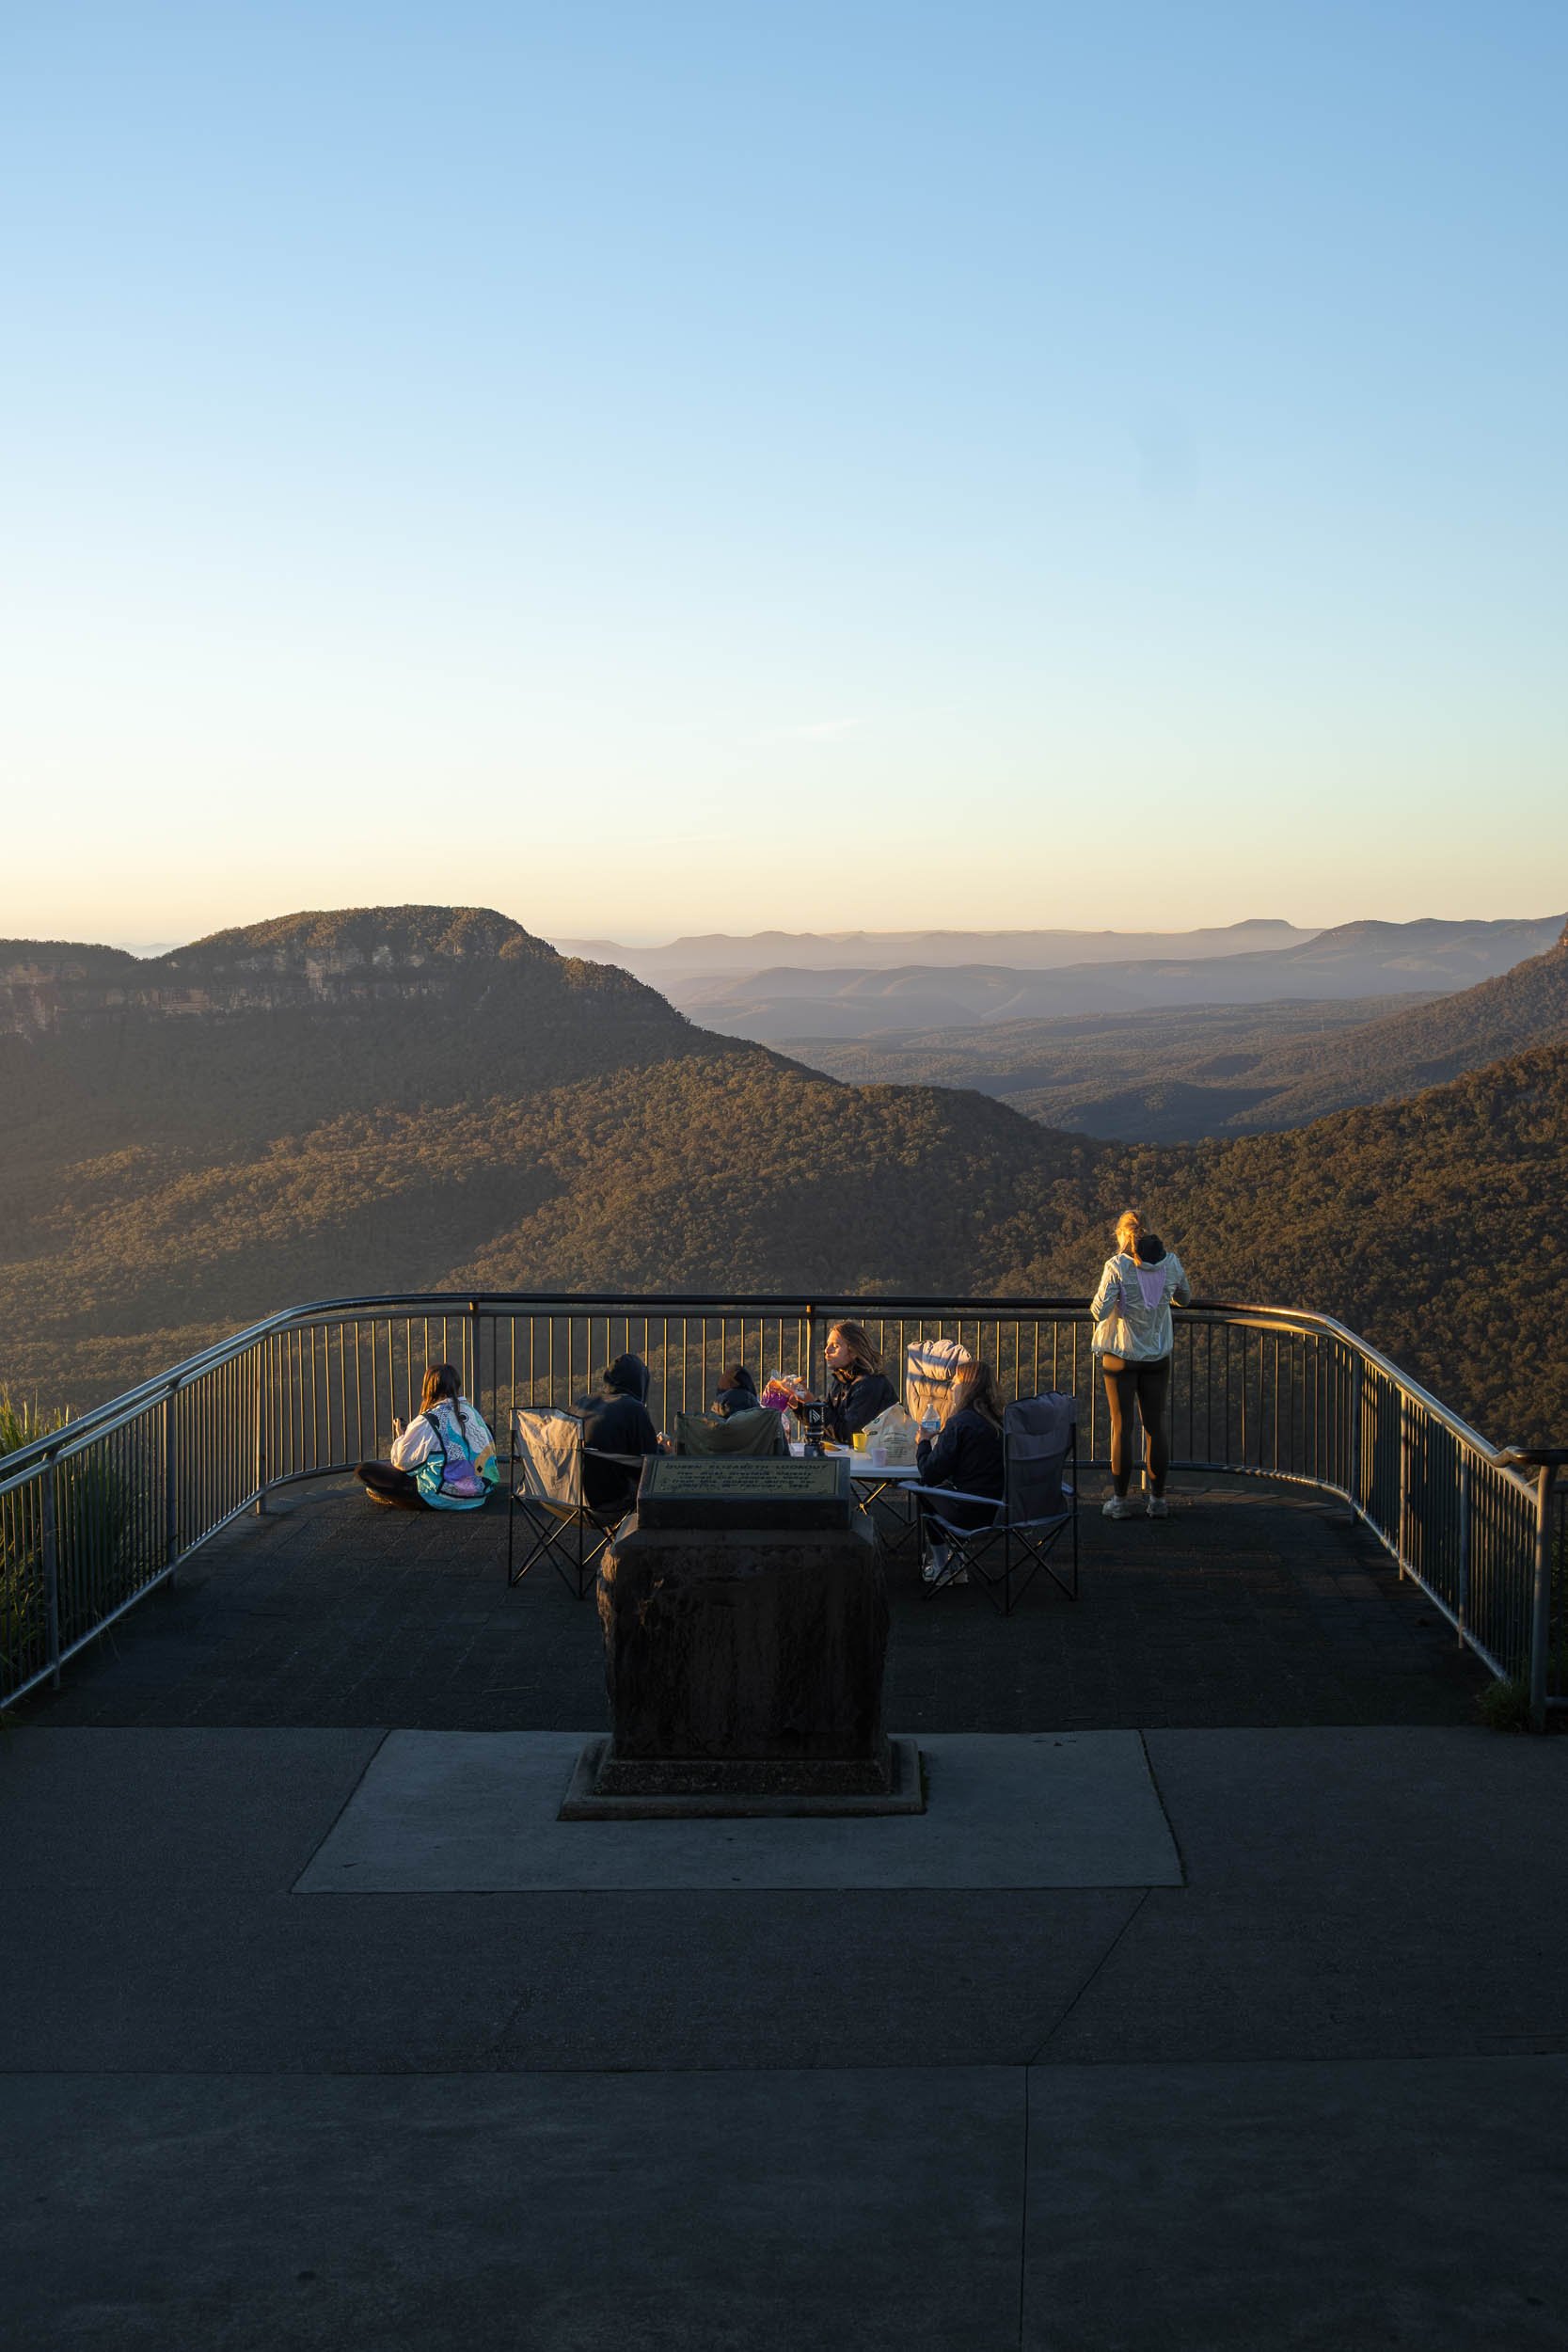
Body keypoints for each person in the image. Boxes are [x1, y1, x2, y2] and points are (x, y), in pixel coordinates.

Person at [1091, 1213, 1191, 1520]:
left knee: (1122, 1427)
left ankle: (1120, 1502)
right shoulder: (1170, 1263)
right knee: (1155, 1426)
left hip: (1121, 1356)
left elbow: (1099, 1311)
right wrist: (1161, 1299)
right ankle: (1158, 1500)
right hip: (1157, 1355)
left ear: (1122, 1234)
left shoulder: (1117, 1266)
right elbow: (1184, 1298)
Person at [356, 1364, 499, 1511]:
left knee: (364, 1470)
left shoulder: (428, 1420)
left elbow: (402, 1463)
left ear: (428, 1388)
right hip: (480, 1493)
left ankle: (393, 1497)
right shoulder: (473, 1413)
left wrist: (401, 1437)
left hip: (445, 1495)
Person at [914, 1360, 1006, 1586]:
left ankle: (940, 1567)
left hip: (967, 1511)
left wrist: (924, 1443)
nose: (951, 1387)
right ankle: (957, 1563)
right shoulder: (1001, 1423)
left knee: (924, 1492)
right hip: (1000, 1510)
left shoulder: (959, 1424)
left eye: (955, 1382)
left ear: (966, 1388)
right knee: (952, 1489)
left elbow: (929, 1473)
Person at [581, 1353, 663, 1516]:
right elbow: (649, 1461)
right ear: (641, 1382)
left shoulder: (584, 1402)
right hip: (606, 1501)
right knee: (660, 1484)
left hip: (564, 1498)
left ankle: (616, 1536)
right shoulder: (632, 1408)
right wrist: (664, 1450)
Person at [819, 1322, 896, 1443]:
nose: (826, 1350)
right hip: (852, 1454)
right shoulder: (841, 1380)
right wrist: (800, 1403)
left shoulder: (869, 1385)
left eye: (835, 1346)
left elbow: (848, 1435)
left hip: (875, 1458)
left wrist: (813, 1404)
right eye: (828, 1344)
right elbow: (827, 1427)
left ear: (854, 1351)